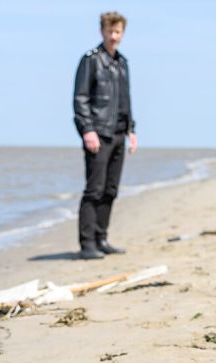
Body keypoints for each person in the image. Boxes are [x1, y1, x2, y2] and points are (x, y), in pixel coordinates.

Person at [73, 11, 138, 260]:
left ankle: (101, 238)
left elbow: (125, 100)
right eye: (109, 31)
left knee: (110, 190)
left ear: (122, 33)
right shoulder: (90, 60)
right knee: (94, 189)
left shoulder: (122, 63)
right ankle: (87, 244)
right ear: (102, 31)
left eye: (117, 31)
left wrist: (132, 130)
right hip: (98, 134)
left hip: (120, 134)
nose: (113, 36)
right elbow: (80, 98)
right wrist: (87, 129)